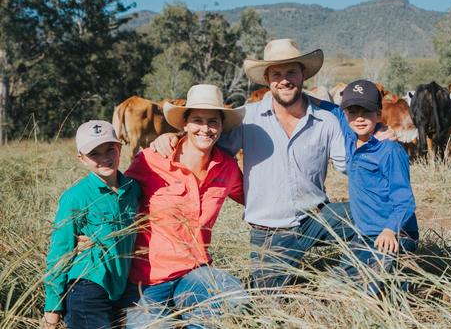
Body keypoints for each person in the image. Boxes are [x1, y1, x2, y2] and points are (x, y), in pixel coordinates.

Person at [153, 38, 359, 289]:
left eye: (291, 71)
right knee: (270, 302)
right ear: (267, 78)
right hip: (270, 232)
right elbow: (207, 145)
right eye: (277, 73)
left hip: (317, 218)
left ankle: (337, 282)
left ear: (303, 73)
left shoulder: (326, 120)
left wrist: (377, 143)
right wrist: (175, 138)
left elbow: (351, 166)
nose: (285, 79)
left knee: (372, 214)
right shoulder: (247, 119)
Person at [120, 84, 249, 327]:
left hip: (194, 272)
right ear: (185, 125)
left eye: (213, 122)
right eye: (197, 120)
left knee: (234, 298)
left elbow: (254, 200)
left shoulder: (227, 168)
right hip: (147, 280)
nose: (205, 128)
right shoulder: (151, 160)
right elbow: (117, 198)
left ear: (221, 127)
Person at [317, 80, 419, 294]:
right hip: (365, 234)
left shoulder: (389, 150)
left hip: (393, 233)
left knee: (372, 288)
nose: (360, 117)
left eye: (367, 111)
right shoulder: (349, 134)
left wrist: (391, 229)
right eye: (353, 111)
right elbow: (329, 108)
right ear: (346, 114)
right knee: (335, 285)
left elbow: (405, 200)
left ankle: (406, 281)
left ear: (379, 113)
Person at [42, 121, 141, 329]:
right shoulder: (75, 197)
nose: (104, 158)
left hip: (122, 287)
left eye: (110, 150)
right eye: (94, 154)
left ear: (120, 148)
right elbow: (59, 255)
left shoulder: (133, 189)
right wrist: (52, 311)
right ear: (82, 159)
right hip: (88, 287)